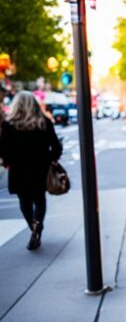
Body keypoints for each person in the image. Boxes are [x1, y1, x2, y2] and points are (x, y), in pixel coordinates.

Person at [0, 91, 62, 250]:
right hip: (40, 168)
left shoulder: (8, 125)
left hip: (18, 169)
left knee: (24, 200)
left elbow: (3, 149)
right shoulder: (44, 122)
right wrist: (51, 159)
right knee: (39, 199)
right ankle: (38, 225)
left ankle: (33, 227)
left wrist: (7, 162)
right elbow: (56, 146)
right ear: (34, 104)